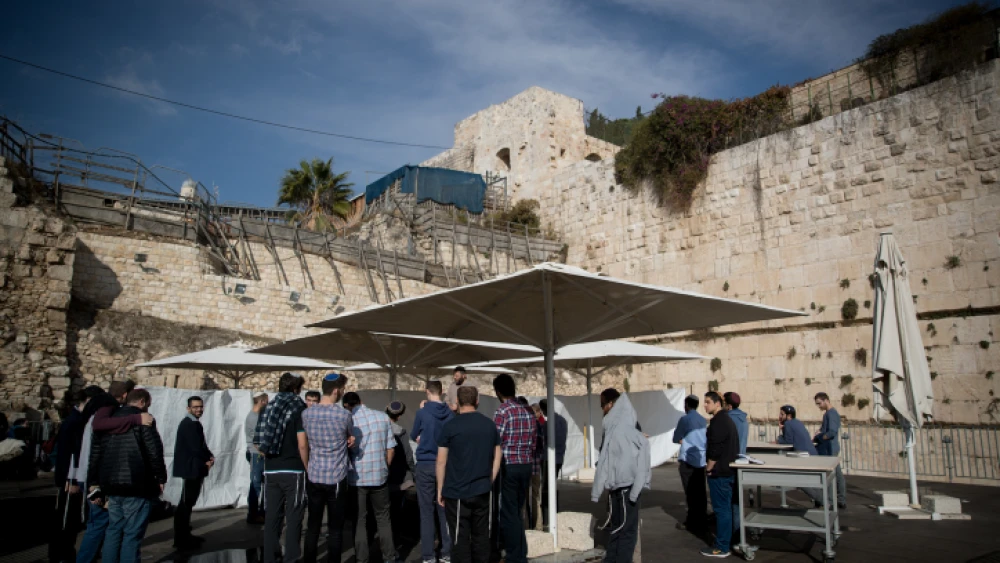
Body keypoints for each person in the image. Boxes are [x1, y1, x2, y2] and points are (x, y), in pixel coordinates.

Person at [76, 381, 151, 563]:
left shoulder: (104, 410)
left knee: (109, 527)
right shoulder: (106, 406)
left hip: (97, 476)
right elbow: (98, 430)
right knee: (102, 525)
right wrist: (136, 419)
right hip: (98, 478)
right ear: (125, 395)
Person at [89, 389, 167, 563]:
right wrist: (160, 478)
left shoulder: (108, 421)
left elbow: (95, 454)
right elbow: (154, 451)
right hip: (137, 483)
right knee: (132, 534)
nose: (148, 406)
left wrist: (93, 482)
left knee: (113, 529)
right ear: (141, 401)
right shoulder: (144, 420)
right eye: (148, 403)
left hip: (110, 483)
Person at [437, 386, 502, 563]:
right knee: (482, 537)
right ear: (477, 401)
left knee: (460, 540)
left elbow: (441, 460)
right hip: (481, 489)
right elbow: (498, 455)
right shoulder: (489, 424)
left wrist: (440, 488)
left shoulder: (450, 426)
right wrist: (490, 478)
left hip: (457, 491)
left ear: (457, 401)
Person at [255, 372, 309, 563]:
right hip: (293, 469)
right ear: (296, 389)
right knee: (294, 516)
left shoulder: (267, 408)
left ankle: (269, 557)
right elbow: (302, 443)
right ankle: (292, 557)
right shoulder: (299, 408)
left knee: (272, 516)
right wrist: (307, 467)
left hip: (271, 469)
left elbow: (259, 443)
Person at [300, 373, 354, 563]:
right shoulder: (344, 415)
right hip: (336, 476)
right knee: (335, 528)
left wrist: (307, 467)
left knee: (313, 525)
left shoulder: (306, 414)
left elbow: (304, 444)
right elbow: (349, 435)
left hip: (314, 474)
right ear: (337, 391)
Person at [592, 388, 649, 563]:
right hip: (622, 484)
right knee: (624, 529)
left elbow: (609, 456)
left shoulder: (620, 426)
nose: (602, 409)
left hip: (624, 484)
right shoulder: (618, 424)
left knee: (624, 530)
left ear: (611, 404)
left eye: (603, 405)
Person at [344, 391, 398, 563]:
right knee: (383, 518)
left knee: (359, 520)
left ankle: (362, 558)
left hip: (357, 477)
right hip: (379, 475)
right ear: (362, 400)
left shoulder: (349, 421)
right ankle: (389, 557)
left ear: (346, 406)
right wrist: (385, 468)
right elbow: (391, 449)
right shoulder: (382, 417)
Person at [492, 374, 535, 563]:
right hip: (526, 464)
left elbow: (495, 441)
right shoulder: (527, 410)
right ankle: (520, 552)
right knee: (517, 510)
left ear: (498, 392)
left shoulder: (503, 411)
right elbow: (535, 439)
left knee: (509, 513)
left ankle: (513, 556)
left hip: (509, 465)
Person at [411, 380, 454, 563]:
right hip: (445, 464)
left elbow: (413, 435)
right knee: (444, 509)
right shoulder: (450, 414)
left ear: (427, 392)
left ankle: (428, 555)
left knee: (426, 511)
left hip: (426, 463)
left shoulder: (422, 412)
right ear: (442, 392)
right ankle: (446, 552)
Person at [49, 389, 92, 563]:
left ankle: (62, 553)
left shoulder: (74, 420)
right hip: (69, 478)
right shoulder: (75, 421)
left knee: (67, 519)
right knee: (66, 520)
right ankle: (62, 555)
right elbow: (71, 454)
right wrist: (72, 479)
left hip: (69, 477)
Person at [173, 396, 214, 549]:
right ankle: (181, 538)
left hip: (193, 468)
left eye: (200, 407)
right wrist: (207, 459)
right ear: (188, 408)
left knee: (188, 502)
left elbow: (201, 445)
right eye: (195, 407)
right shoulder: (189, 424)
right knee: (185, 503)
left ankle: (184, 535)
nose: (199, 409)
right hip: (191, 469)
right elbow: (196, 447)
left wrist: (209, 456)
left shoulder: (193, 423)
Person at [702, 391, 738, 558]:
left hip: (719, 473)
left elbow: (715, 449)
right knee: (725, 510)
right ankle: (725, 542)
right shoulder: (725, 420)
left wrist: (709, 467)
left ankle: (722, 547)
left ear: (717, 404)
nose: (705, 405)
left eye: (708, 402)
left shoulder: (719, 422)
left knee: (722, 510)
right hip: (726, 471)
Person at [673, 394, 707, 536]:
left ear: (686, 405)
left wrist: (684, 441)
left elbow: (676, 438)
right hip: (701, 459)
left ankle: (692, 522)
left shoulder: (685, 419)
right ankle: (702, 519)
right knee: (700, 491)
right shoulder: (703, 420)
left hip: (688, 460)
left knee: (690, 492)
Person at [386, 400, 415, 547]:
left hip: (382, 477)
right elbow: (409, 456)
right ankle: (394, 547)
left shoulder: (380, 427)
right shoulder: (401, 431)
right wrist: (413, 472)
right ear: (400, 415)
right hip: (398, 478)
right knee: (396, 514)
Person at [813, 393, 847, 509]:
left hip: (830, 448)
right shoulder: (828, 414)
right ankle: (841, 499)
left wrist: (820, 437)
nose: (819, 406)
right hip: (830, 447)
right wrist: (819, 432)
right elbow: (825, 429)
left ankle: (832, 501)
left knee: (830, 475)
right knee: (837, 474)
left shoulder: (831, 414)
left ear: (826, 400)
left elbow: (831, 432)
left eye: (819, 403)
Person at [538, 398, 566, 528]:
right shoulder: (563, 421)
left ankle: (547, 517)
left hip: (548, 458)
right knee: (552, 485)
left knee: (546, 488)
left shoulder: (547, 424)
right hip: (559, 458)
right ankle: (555, 513)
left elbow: (543, 441)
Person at [245, 391, 269, 524]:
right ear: (262, 401)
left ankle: (262, 512)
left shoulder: (257, 416)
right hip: (256, 454)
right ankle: (253, 514)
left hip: (259, 453)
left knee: (263, 483)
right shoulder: (254, 418)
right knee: (256, 484)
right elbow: (256, 439)